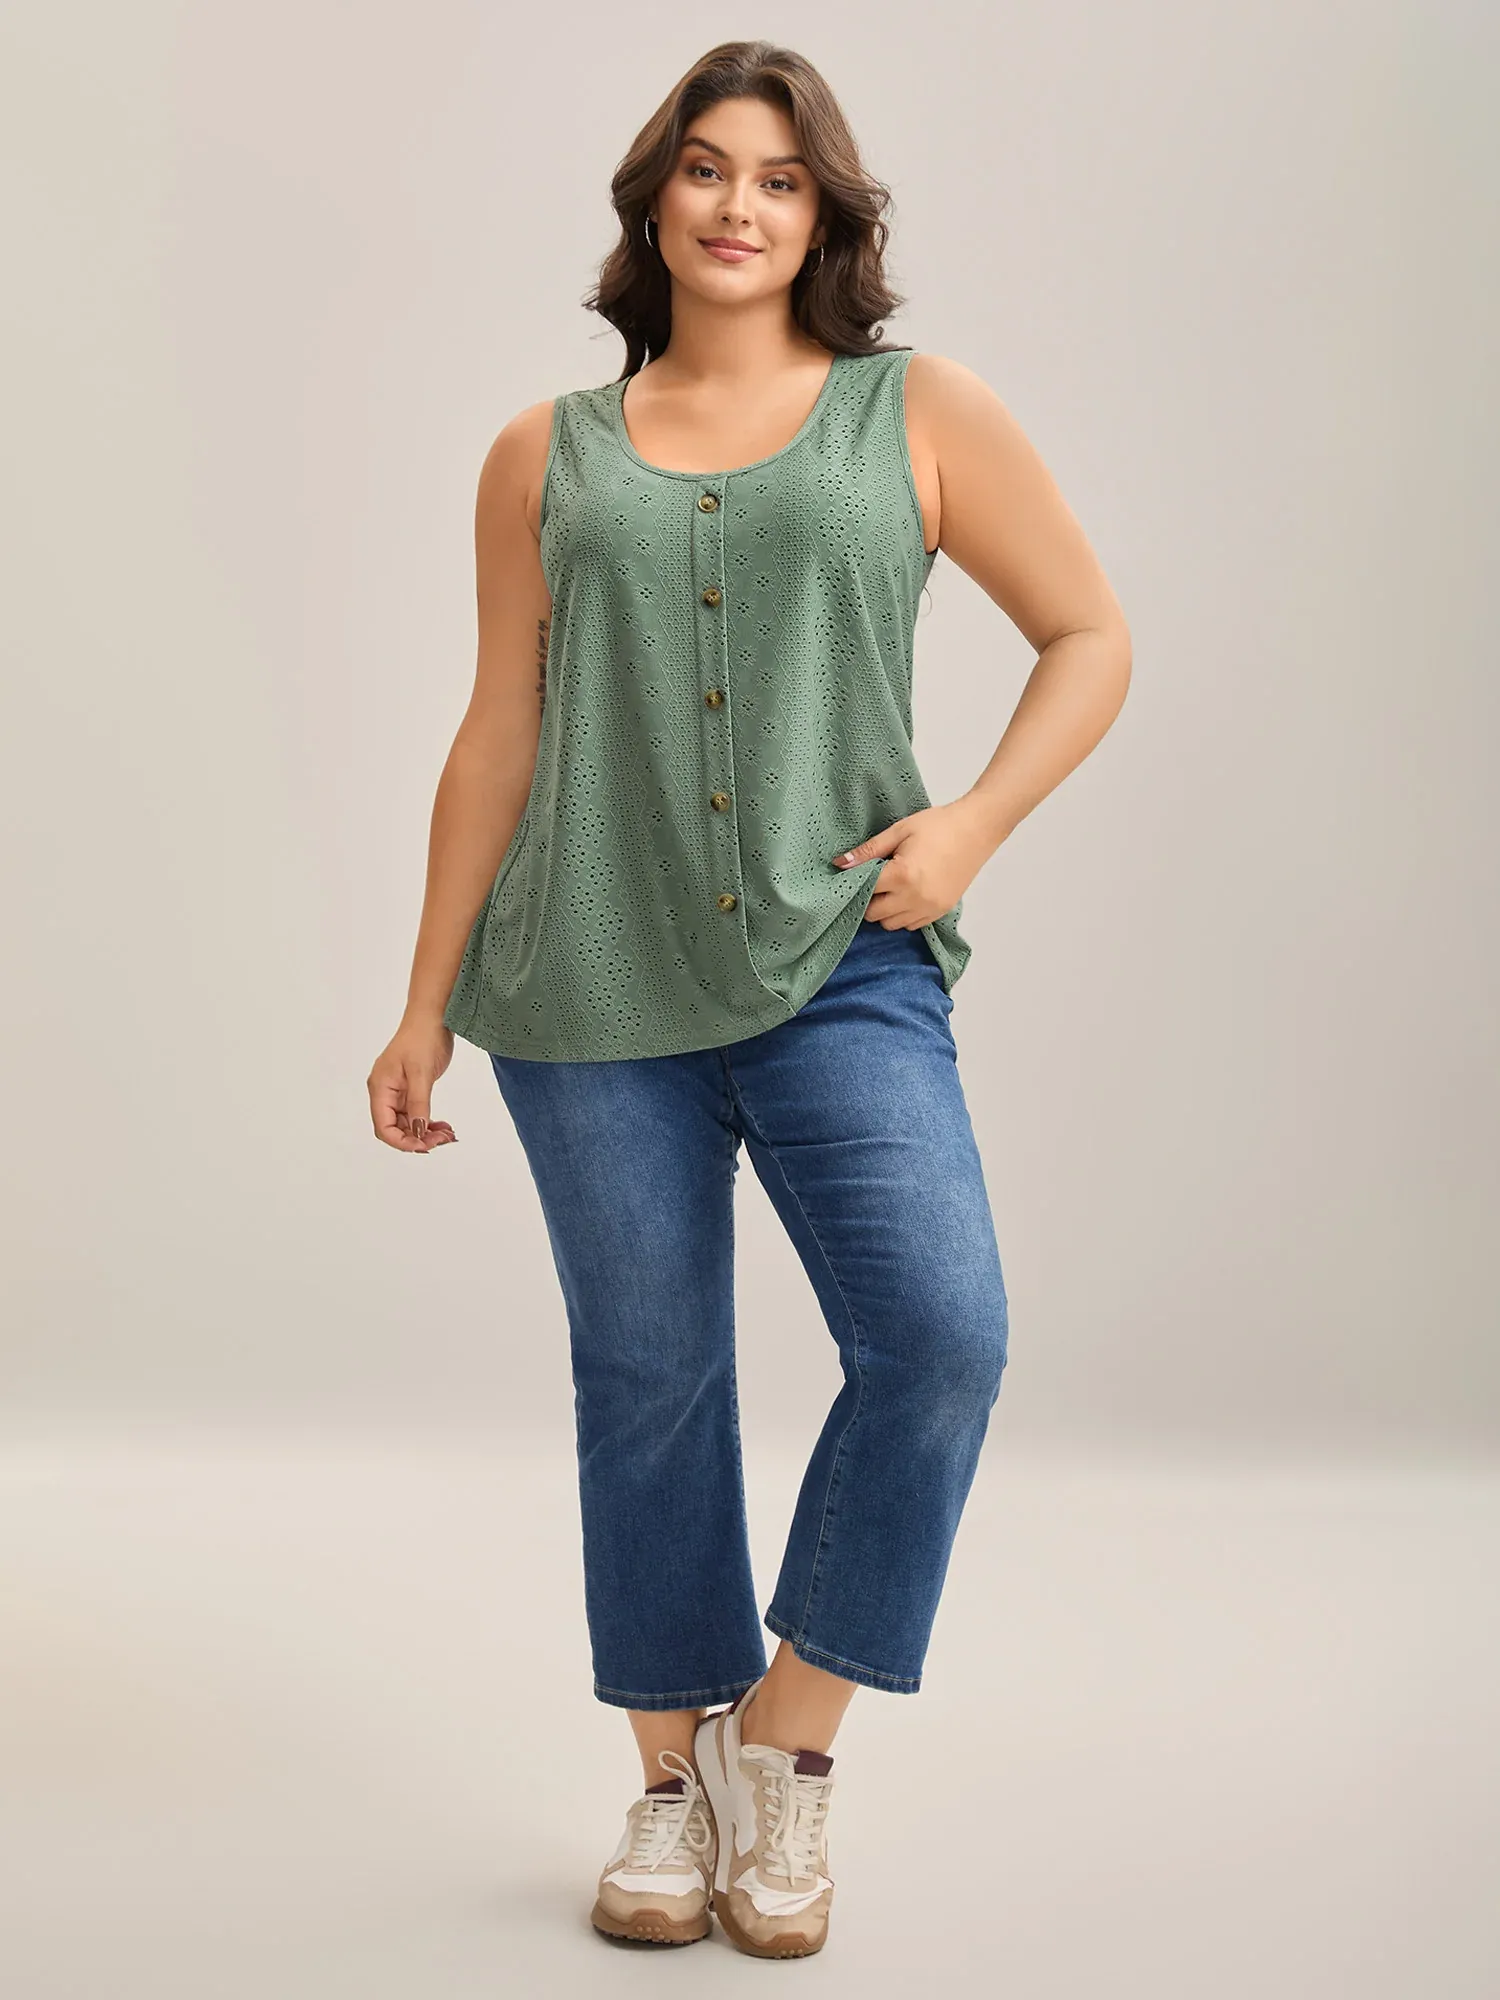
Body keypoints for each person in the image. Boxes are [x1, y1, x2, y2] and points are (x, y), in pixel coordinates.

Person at [366, 39, 1131, 1962]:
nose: (737, 205)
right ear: (654, 202)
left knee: (940, 1333)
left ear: (824, 215)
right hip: (582, 980)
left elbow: (1089, 635)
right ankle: (662, 1778)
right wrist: (424, 998)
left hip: (841, 963)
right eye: (706, 169)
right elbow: (499, 727)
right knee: (649, 1378)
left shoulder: (917, 413)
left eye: (779, 179)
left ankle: (778, 1750)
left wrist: (969, 825)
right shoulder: (542, 452)